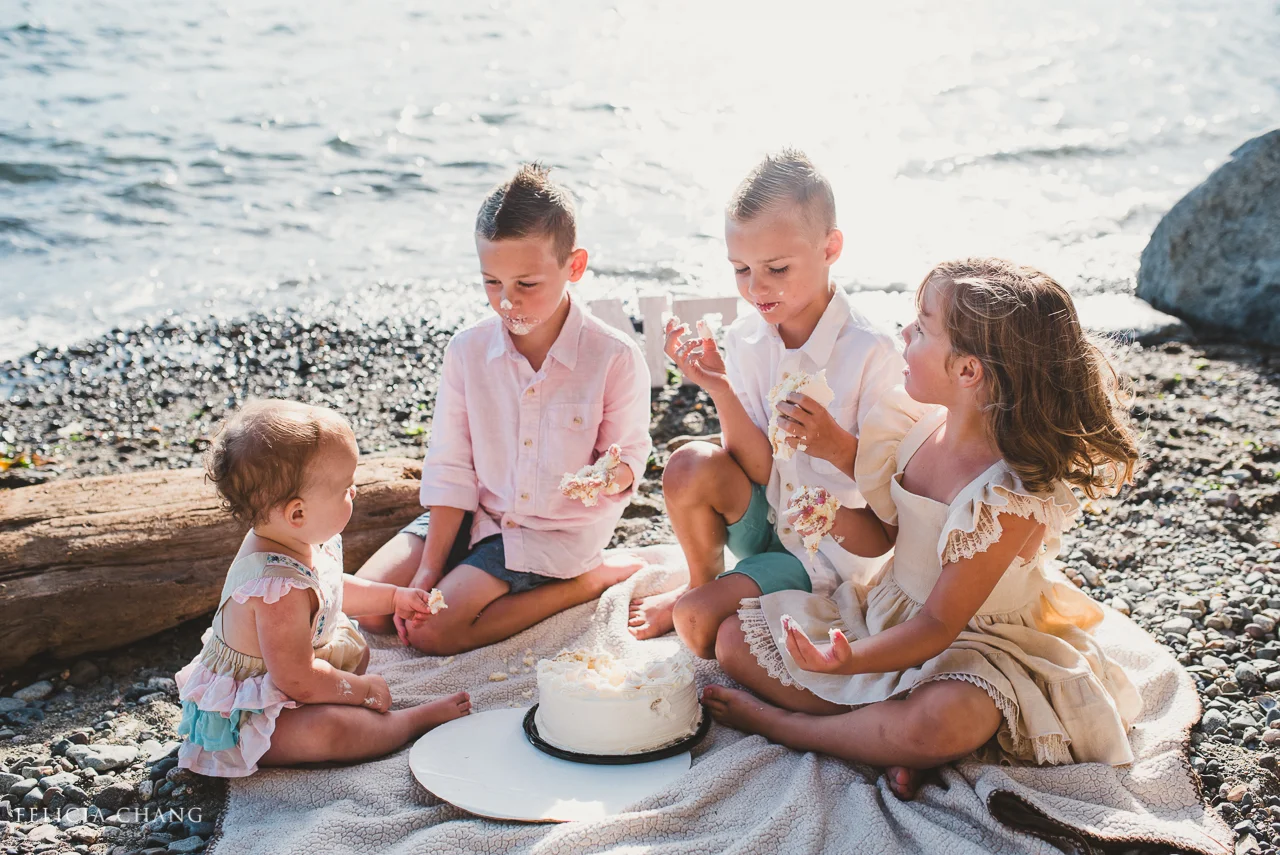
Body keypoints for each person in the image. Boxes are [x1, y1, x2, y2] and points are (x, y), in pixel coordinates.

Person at [702, 258, 1143, 800]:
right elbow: (886, 539)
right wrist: (829, 517)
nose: (904, 332)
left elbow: (938, 626)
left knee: (944, 718)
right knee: (732, 640)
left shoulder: (1005, 497)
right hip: (890, 612)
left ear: (967, 371)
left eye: (922, 326)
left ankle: (792, 728)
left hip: (976, 644)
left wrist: (846, 661)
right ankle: (884, 741)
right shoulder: (915, 428)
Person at [357, 163, 652, 654]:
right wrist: (430, 569)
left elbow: (630, 459)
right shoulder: (467, 351)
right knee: (373, 612)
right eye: (491, 282)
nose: (507, 301)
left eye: (526, 284)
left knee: (431, 632)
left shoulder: (614, 357)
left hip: (549, 533)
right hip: (475, 513)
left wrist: (609, 475)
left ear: (574, 267)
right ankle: (456, 571)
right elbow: (451, 464)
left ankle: (588, 581)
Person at [628, 149, 902, 655]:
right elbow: (756, 467)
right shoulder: (748, 338)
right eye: (741, 269)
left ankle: (712, 596)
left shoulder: (872, 353)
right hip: (767, 516)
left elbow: (889, 500)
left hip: (829, 552)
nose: (757, 287)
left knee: (696, 621)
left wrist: (833, 443)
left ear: (830, 248)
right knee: (688, 462)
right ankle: (700, 580)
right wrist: (719, 388)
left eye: (776, 268)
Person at [175, 400, 469, 777]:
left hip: (290, 669)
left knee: (355, 652)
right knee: (332, 730)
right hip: (253, 710)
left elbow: (331, 588)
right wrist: (361, 691)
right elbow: (297, 679)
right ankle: (409, 724)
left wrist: (393, 597)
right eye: (347, 487)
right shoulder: (277, 590)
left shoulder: (298, 537)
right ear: (298, 513)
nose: (356, 491)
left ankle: (350, 702)